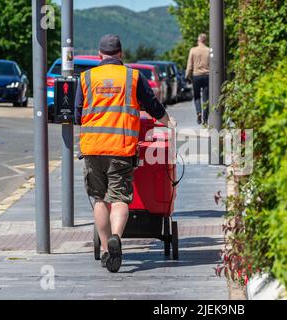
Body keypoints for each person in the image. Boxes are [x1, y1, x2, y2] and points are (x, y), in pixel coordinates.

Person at [75, 34, 176, 273]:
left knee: (99, 200)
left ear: (99, 55)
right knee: (119, 199)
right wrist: (167, 122)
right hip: (120, 147)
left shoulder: (86, 78)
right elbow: (152, 105)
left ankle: (106, 248)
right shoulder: (132, 76)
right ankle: (117, 237)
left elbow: (78, 113)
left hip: (92, 147)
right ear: (121, 54)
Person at [186, 33, 210, 125]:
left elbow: (189, 66)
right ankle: (205, 119)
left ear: (199, 40)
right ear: (205, 41)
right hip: (207, 75)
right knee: (206, 98)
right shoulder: (209, 50)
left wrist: (188, 76)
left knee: (196, 97)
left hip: (196, 76)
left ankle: (199, 112)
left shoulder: (193, 50)